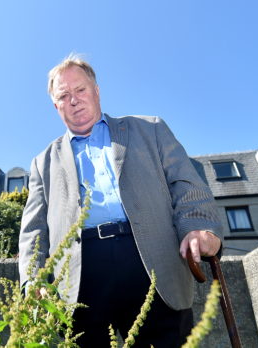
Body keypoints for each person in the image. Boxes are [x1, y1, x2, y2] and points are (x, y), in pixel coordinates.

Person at [18, 54, 224, 348]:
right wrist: (33, 278)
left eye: (80, 90)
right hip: (78, 277)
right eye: (64, 95)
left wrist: (198, 226)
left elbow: (186, 183)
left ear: (97, 91)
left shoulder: (150, 129)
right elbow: (33, 230)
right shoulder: (42, 163)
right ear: (56, 105)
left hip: (150, 263)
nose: (74, 100)